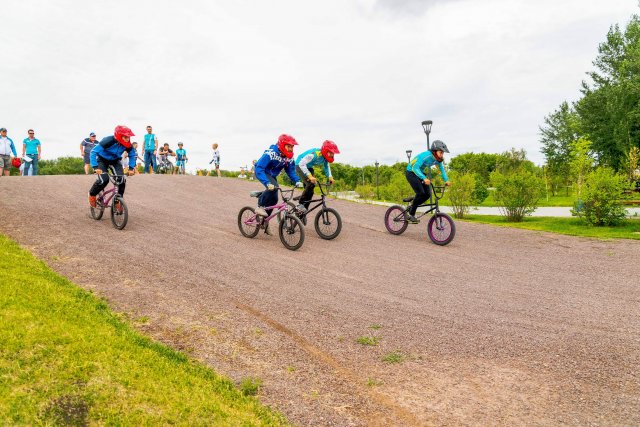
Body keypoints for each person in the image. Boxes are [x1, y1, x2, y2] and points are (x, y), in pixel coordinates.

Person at [254, 135, 303, 234]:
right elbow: (259, 168)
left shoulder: (289, 158)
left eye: (292, 147)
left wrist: (297, 180)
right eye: (288, 146)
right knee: (274, 187)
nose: (291, 148)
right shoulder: (271, 153)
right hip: (263, 172)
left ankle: (265, 222)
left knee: (274, 200)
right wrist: (267, 183)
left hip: (272, 175)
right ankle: (260, 205)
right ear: (282, 145)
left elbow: (290, 171)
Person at [88, 126, 137, 208]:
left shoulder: (128, 144)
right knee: (104, 180)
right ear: (119, 136)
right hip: (102, 160)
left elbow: (132, 155)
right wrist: (95, 167)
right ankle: (92, 194)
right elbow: (93, 152)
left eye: (129, 137)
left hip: (115, 161)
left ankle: (117, 201)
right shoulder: (108, 140)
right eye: (125, 137)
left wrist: (131, 168)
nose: (128, 139)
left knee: (121, 180)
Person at [405, 140, 452, 223]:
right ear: (435, 151)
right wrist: (424, 178)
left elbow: (442, 170)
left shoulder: (438, 159)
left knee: (427, 194)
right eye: (441, 152)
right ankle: (411, 214)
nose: (442, 154)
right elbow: (415, 168)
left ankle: (414, 201)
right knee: (420, 193)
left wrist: (447, 180)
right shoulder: (426, 155)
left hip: (420, 173)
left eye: (443, 153)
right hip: (411, 172)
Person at [295, 140, 340, 210]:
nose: (332, 155)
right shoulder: (314, 154)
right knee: (311, 184)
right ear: (325, 151)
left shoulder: (325, 158)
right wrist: (310, 176)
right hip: (300, 165)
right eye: (330, 153)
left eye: (333, 153)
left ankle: (304, 211)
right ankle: (300, 204)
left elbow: (327, 167)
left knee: (311, 190)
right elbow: (302, 164)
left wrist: (330, 177)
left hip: (309, 167)